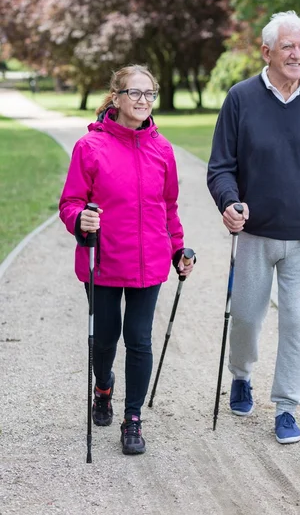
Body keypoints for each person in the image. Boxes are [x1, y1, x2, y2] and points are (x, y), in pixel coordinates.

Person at [207, 11, 300, 444]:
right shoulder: (241, 98)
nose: (297, 54)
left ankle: (287, 406)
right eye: (288, 46)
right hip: (254, 236)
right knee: (247, 317)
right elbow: (220, 167)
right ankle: (241, 375)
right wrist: (230, 203)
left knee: (298, 325)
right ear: (267, 51)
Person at [59, 64, 194, 455]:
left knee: (138, 340)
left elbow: (168, 208)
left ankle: (132, 418)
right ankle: (103, 387)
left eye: (149, 94)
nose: (143, 101)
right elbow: (70, 203)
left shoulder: (163, 149)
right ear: (116, 98)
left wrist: (178, 249)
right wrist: (78, 219)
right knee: (104, 339)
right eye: (134, 93)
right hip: (102, 259)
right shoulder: (90, 147)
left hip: (148, 262)